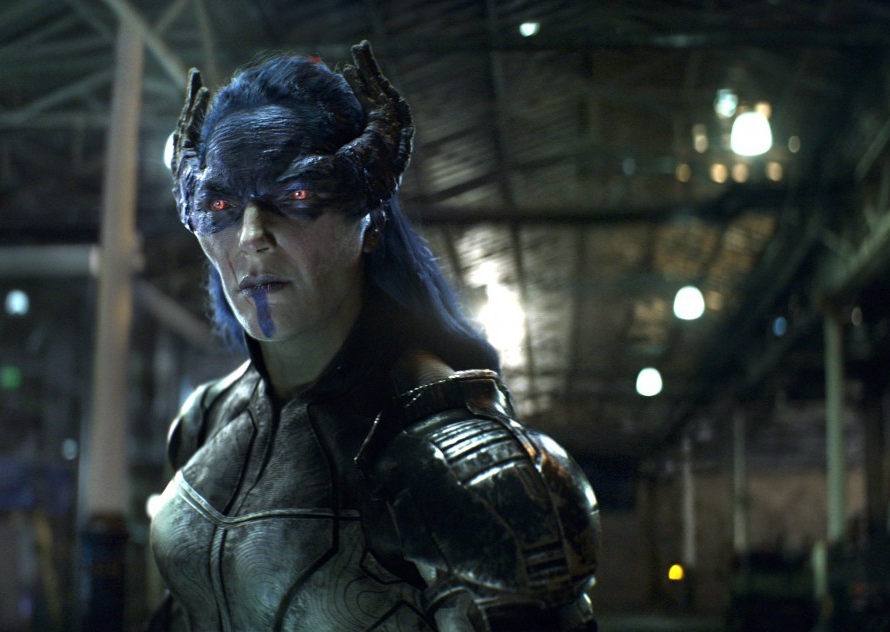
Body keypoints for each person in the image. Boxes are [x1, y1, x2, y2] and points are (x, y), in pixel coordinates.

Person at [150, 41, 600, 631]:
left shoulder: (462, 462)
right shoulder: (204, 420)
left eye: (297, 195)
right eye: (221, 202)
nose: (252, 235)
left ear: (371, 223)